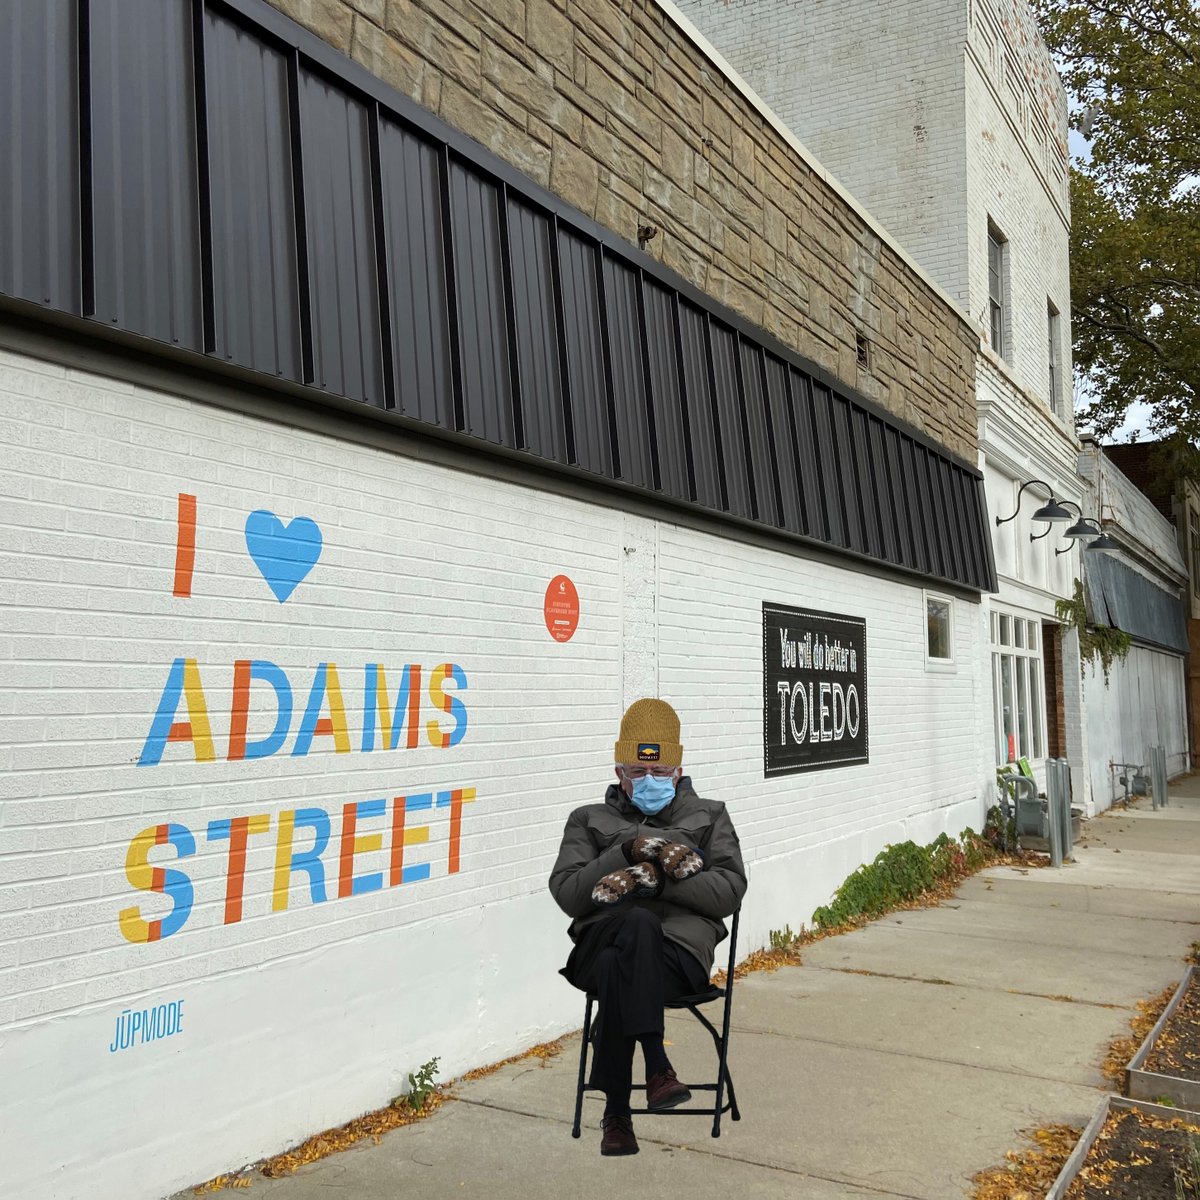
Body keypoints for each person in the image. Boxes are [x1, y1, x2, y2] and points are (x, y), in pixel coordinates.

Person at [549, 698, 747, 1157]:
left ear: (677, 770)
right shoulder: (587, 820)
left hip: (676, 957)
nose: (650, 782)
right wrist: (625, 852)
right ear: (619, 771)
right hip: (597, 950)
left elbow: (729, 890)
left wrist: (657, 882)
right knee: (630, 933)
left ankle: (617, 1114)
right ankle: (657, 1066)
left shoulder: (710, 815)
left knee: (629, 947)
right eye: (638, 772)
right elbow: (568, 894)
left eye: (660, 773)